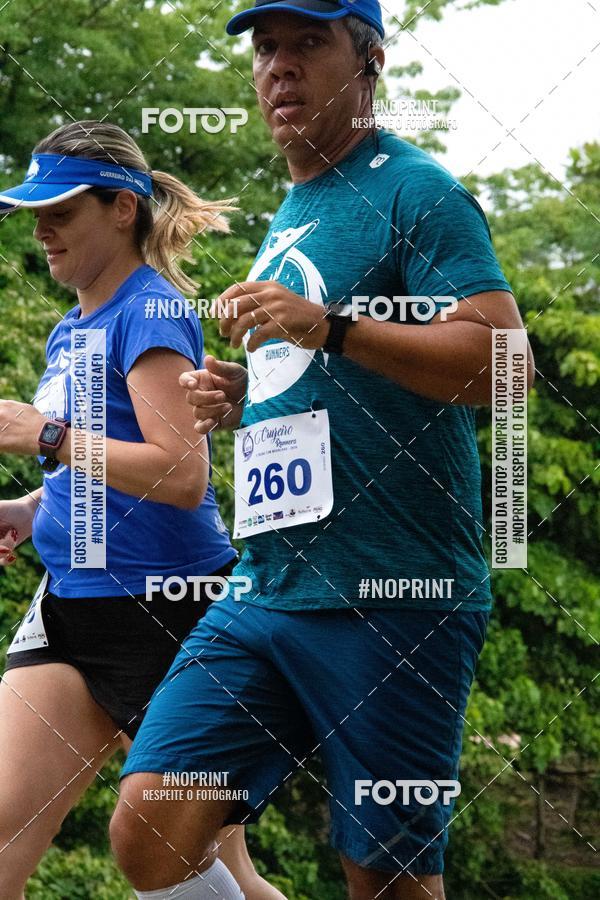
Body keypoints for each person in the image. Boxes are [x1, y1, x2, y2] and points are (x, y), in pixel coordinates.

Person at [110, 2, 535, 899]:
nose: (281, 68)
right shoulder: (299, 207)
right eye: (267, 48)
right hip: (269, 588)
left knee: (383, 882)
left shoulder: (416, 191)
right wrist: (245, 388)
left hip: (394, 593)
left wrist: (332, 329)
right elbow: (322, 368)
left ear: (369, 60)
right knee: (152, 825)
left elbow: (506, 368)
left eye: (309, 44)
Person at [0, 120, 283, 900]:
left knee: (202, 870)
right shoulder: (70, 328)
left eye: (62, 209)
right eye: (33, 212)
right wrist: (28, 508)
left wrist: (48, 435)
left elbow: (179, 475)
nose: (42, 229)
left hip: (167, 615)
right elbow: (94, 468)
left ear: (123, 208)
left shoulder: (152, 313)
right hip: (70, 607)